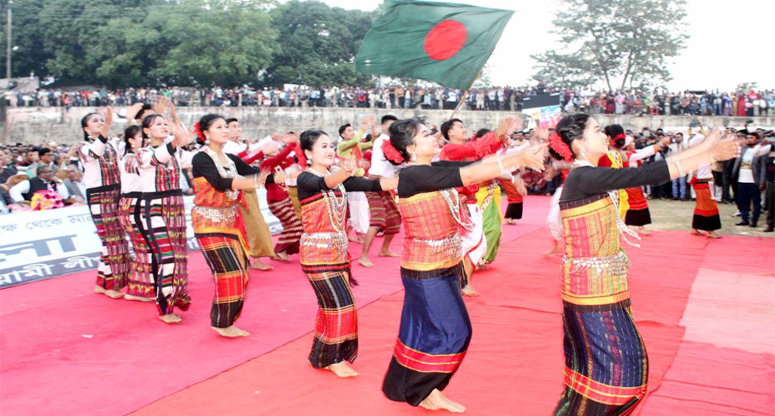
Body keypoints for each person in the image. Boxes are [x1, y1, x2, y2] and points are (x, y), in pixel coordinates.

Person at [550, 114, 739, 416]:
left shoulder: (590, 173)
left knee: (618, 367)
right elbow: (644, 175)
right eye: (597, 130)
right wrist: (708, 153)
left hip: (604, 286)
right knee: (618, 370)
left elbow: (645, 169)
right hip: (590, 289)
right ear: (579, 143)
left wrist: (705, 149)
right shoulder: (582, 177)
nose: (605, 136)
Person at [381, 119, 546, 413]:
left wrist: (517, 152)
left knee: (423, 330)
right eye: (425, 134)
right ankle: (422, 389)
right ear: (410, 147)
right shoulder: (415, 175)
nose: (433, 137)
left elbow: (477, 163)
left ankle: (418, 388)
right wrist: (517, 157)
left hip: (444, 264)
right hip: (424, 269)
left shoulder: (431, 170)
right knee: (455, 332)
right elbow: (469, 173)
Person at [296, 130, 396, 378]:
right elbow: (325, 184)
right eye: (323, 146)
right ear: (308, 153)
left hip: (338, 254)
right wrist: (347, 171)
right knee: (342, 304)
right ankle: (334, 358)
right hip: (316, 254)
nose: (330, 150)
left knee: (330, 304)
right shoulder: (305, 179)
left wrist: (405, 177)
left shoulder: (338, 178)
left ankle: (321, 355)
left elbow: (374, 184)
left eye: (331, 146)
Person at [191, 114, 280, 337]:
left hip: (231, 222)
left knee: (241, 271)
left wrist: (287, 176)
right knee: (229, 271)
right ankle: (222, 323)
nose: (224, 130)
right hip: (208, 223)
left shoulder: (231, 159)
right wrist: (254, 181)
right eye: (219, 127)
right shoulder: (201, 159)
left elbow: (257, 175)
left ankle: (226, 320)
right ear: (206, 133)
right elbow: (220, 183)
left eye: (225, 127)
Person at [438, 117, 517, 296]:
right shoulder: (449, 149)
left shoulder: (465, 151)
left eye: (465, 126)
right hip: (459, 203)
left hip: (469, 201)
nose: (465, 129)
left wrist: (500, 139)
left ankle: (461, 284)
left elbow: (484, 157)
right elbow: (476, 149)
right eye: (460, 126)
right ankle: (456, 283)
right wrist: (496, 133)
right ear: (450, 132)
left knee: (471, 243)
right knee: (472, 243)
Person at [136, 113, 194, 323]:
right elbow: (157, 158)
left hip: (175, 207)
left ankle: (175, 297)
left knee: (178, 257)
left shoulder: (176, 152)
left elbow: (197, 157)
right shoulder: (141, 153)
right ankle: (164, 307)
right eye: (158, 124)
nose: (163, 126)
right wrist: (177, 139)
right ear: (146, 131)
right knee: (167, 258)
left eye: (164, 123)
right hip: (155, 208)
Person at [79, 108, 131, 299]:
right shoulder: (83, 147)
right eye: (95, 121)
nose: (100, 122)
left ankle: (103, 283)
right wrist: (107, 126)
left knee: (117, 240)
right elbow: (95, 153)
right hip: (99, 196)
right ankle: (110, 283)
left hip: (116, 192)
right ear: (86, 128)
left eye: (102, 120)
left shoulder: (112, 145)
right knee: (110, 241)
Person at [224, 118, 279, 271]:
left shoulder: (240, 145)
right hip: (236, 190)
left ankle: (252, 258)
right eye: (234, 126)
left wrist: (270, 140)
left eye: (239, 126)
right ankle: (249, 258)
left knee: (252, 224)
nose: (238, 129)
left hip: (248, 187)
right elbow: (241, 160)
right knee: (251, 224)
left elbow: (253, 150)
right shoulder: (225, 148)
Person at [599, 125, 669, 235]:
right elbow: (645, 152)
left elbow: (644, 152)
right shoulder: (624, 155)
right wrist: (659, 145)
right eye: (631, 142)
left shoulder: (622, 154)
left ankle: (627, 226)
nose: (633, 143)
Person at [358, 115, 401, 268]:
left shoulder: (392, 141)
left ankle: (384, 250)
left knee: (395, 217)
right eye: (391, 125)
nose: (393, 128)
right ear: (384, 127)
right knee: (378, 220)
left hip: (385, 184)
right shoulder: (382, 140)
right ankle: (363, 257)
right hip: (374, 183)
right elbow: (395, 160)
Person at [118, 125, 154, 302]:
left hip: (139, 203)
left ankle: (142, 287)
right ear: (131, 140)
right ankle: (139, 290)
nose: (145, 139)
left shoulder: (139, 156)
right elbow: (147, 167)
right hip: (133, 204)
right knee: (144, 247)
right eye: (142, 136)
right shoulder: (130, 159)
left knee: (145, 247)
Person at [260, 135, 304, 261]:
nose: (274, 148)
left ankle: (285, 250)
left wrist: (298, 146)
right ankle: (280, 249)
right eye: (270, 147)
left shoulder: (279, 163)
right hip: (276, 200)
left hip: (285, 197)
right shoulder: (266, 163)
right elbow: (281, 157)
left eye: (274, 146)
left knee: (293, 225)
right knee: (295, 225)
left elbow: (296, 160)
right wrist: (290, 145)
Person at [688, 130, 723, 238]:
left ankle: (695, 227)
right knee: (708, 206)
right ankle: (710, 229)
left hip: (704, 182)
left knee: (701, 205)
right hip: (702, 182)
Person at [732, 132, 771, 228]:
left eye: (752, 138)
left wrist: (762, 181)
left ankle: (754, 221)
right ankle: (745, 219)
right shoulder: (743, 149)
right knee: (743, 201)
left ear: (757, 139)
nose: (749, 139)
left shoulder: (761, 151)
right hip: (741, 179)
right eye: (748, 137)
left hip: (754, 181)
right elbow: (737, 163)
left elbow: (763, 168)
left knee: (756, 202)